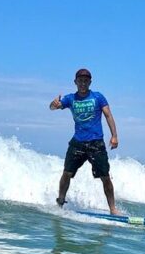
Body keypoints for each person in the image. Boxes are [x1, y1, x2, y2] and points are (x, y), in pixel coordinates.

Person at [49, 68, 120, 215]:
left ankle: (113, 209)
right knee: (66, 173)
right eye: (80, 80)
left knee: (105, 177)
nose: (83, 83)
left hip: (96, 143)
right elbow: (52, 108)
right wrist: (53, 104)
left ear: (90, 82)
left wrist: (114, 136)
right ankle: (60, 202)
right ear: (75, 82)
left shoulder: (98, 97)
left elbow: (108, 115)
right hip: (78, 143)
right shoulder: (70, 99)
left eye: (86, 80)